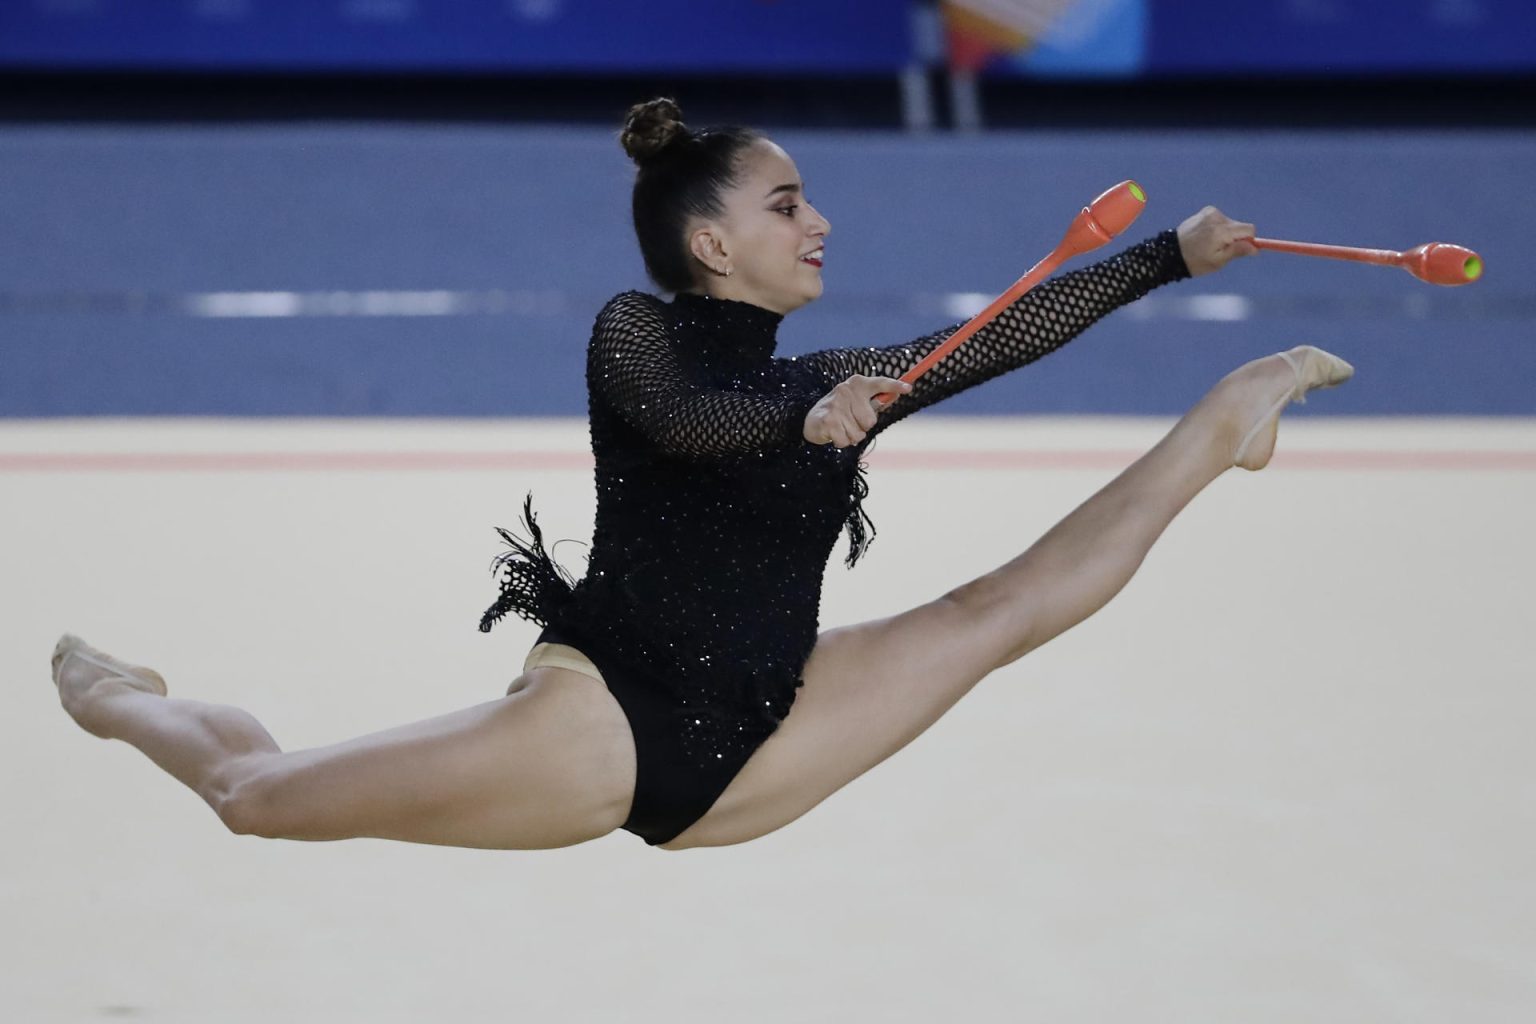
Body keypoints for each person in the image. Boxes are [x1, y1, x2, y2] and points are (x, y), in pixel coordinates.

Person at [50, 98, 1351, 853]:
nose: (820, 221)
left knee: (995, 611)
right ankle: (121, 701)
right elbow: (683, 424)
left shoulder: (826, 376)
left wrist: (1168, 258)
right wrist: (803, 428)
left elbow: (997, 334)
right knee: (257, 796)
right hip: (605, 721)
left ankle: (1231, 412)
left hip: (766, 731)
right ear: (711, 238)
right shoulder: (637, 332)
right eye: (788, 204)